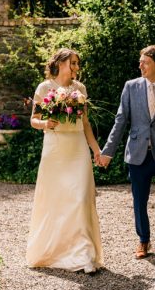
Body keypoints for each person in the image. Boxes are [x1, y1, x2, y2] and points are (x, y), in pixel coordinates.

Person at [98, 45, 155, 271]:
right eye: (140, 62)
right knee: (139, 202)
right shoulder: (131, 87)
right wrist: (107, 152)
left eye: (145, 62)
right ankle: (143, 239)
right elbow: (120, 121)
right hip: (137, 154)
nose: (140, 65)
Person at [26, 48, 103, 273]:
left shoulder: (80, 89)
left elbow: (86, 123)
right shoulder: (44, 88)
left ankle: (84, 255)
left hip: (78, 147)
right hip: (55, 148)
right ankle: (55, 251)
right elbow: (34, 120)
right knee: (56, 200)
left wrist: (96, 149)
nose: (76, 68)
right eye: (73, 63)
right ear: (60, 63)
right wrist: (45, 124)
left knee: (80, 199)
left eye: (77, 63)